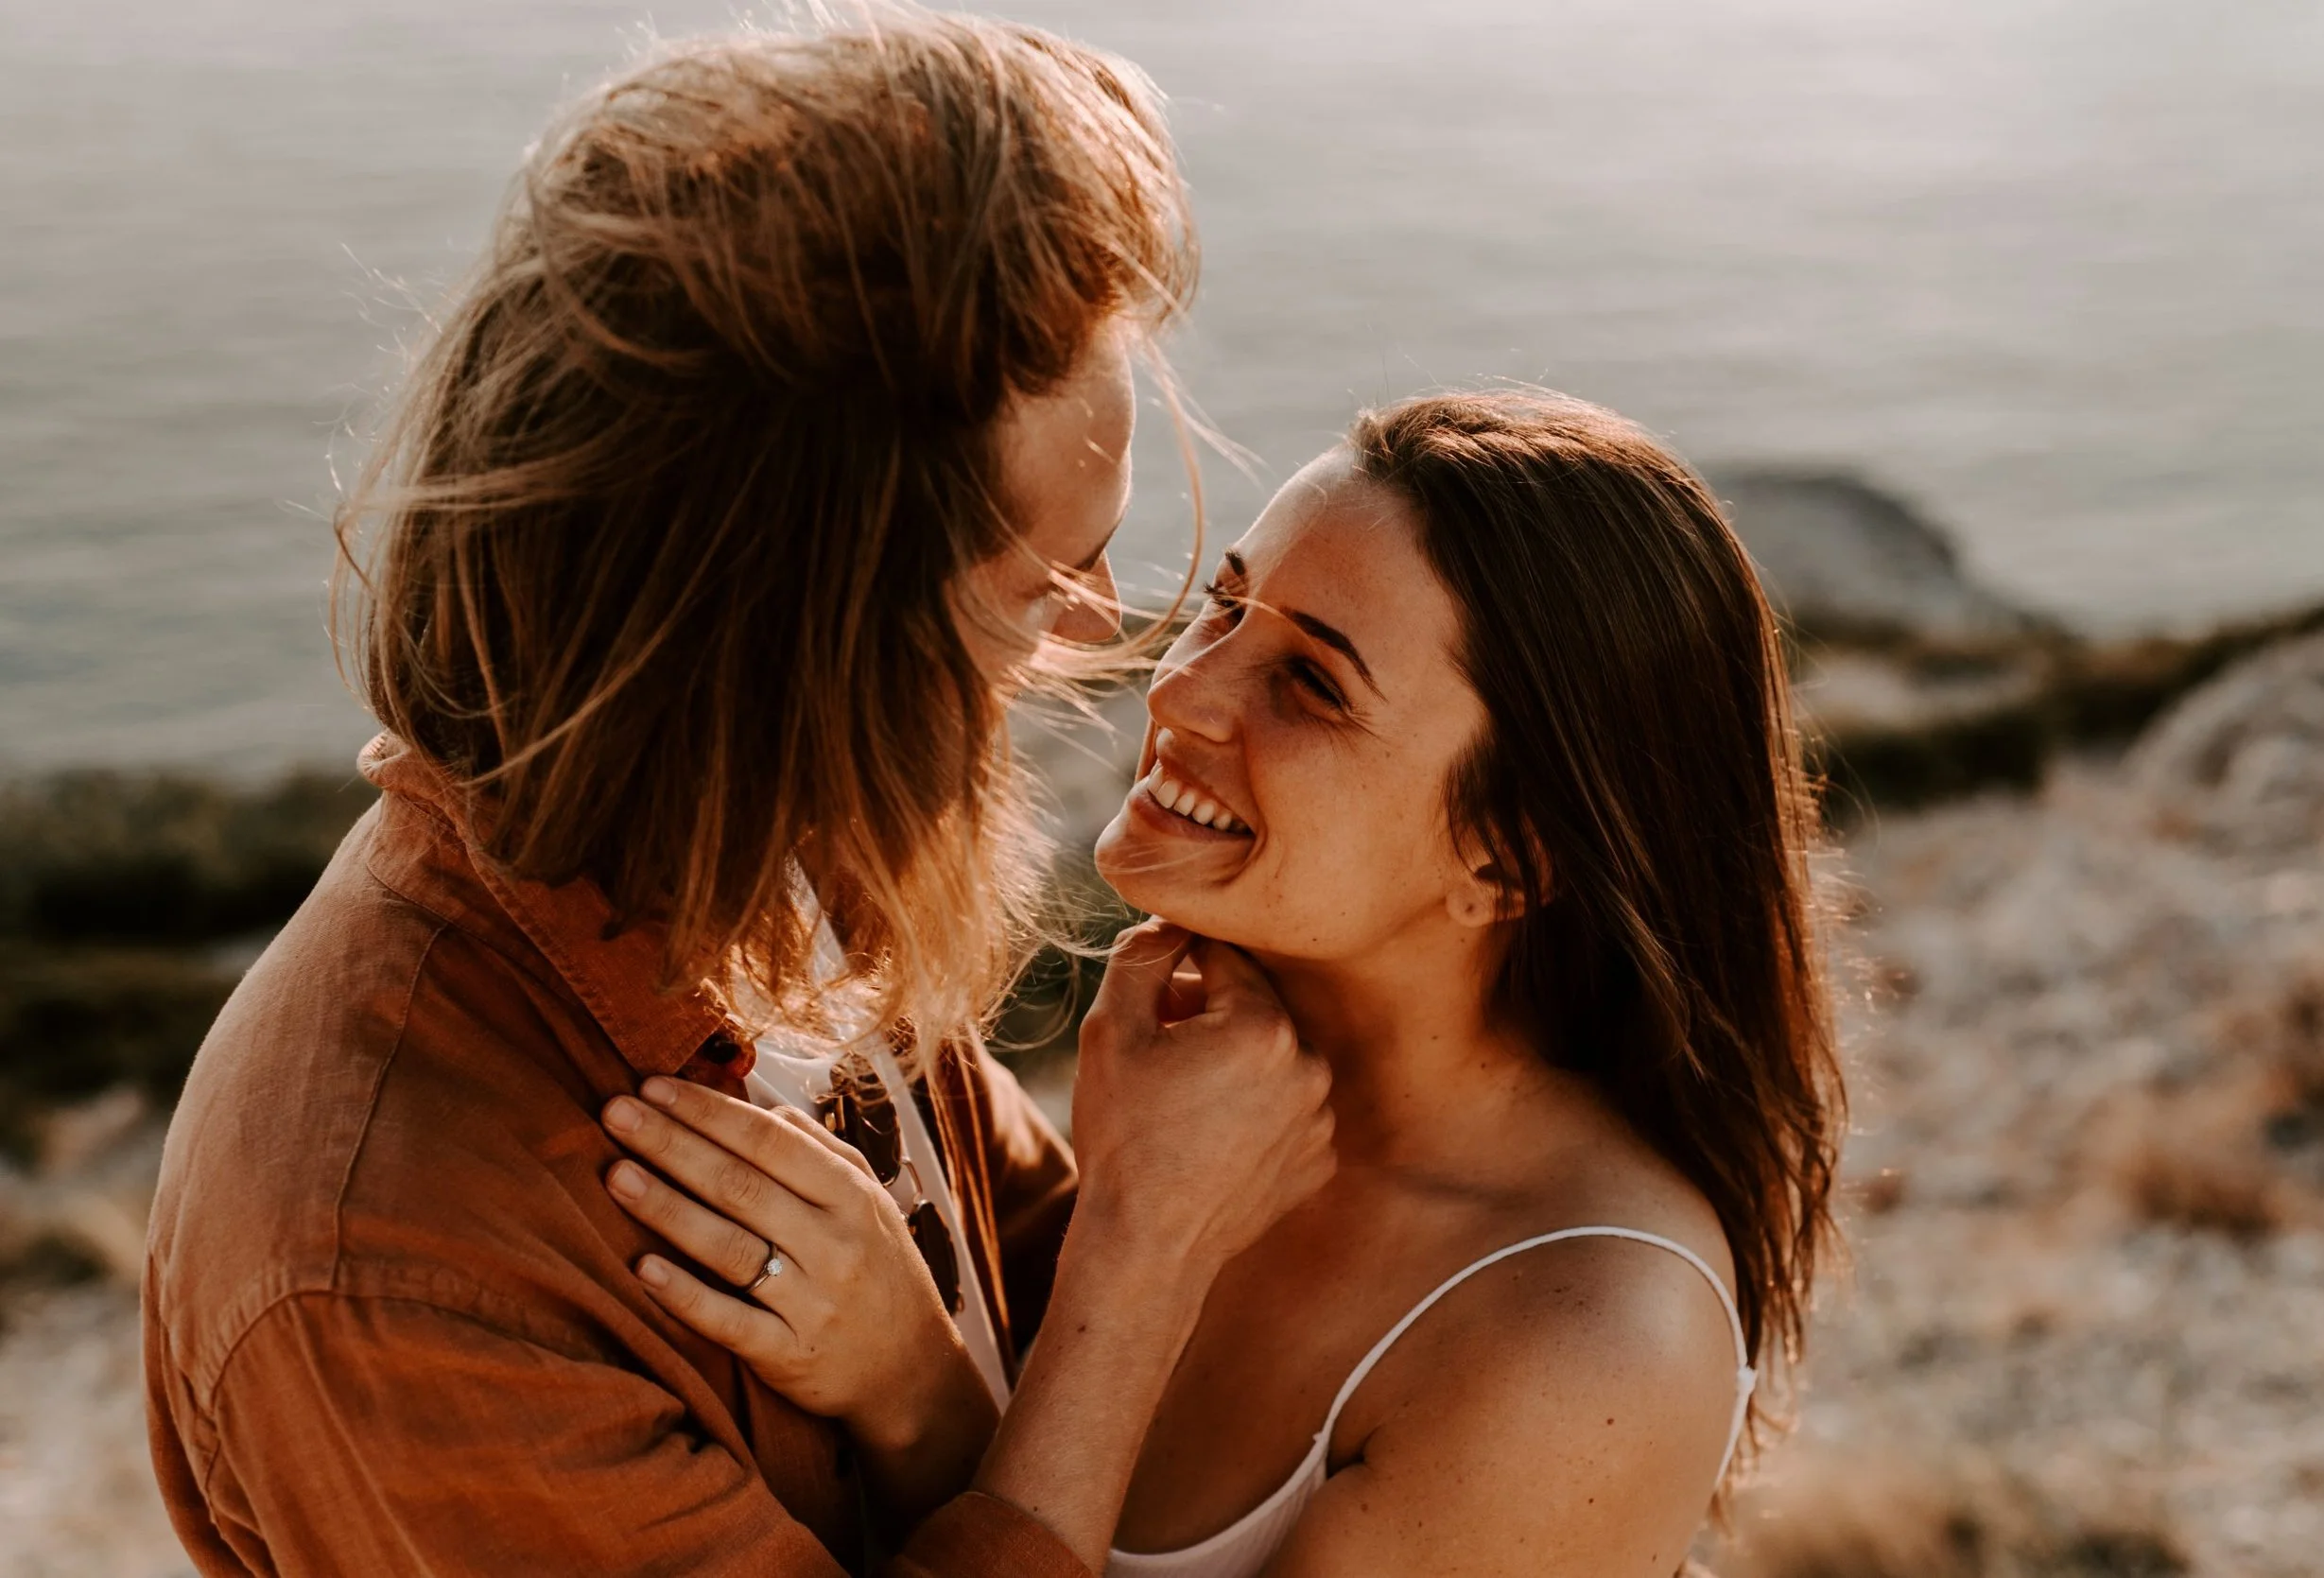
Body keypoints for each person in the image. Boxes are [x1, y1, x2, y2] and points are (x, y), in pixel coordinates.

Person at [142, 16, 1332, 1576]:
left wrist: (942, 1379)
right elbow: (1098, 1337)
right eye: (1047, 568)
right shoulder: (396, 1266)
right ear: (802, 636)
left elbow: (1026, 1301)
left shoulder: (786, 852)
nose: (1103, 622)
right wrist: (1149, 1250)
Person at [613, 390, 1847, 1574]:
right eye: (1225, 606)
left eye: (1312, 682)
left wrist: (912, 1389)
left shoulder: (1592, 1341)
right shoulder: (1206, 1079)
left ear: (1511, 857)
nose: (1183, 688)